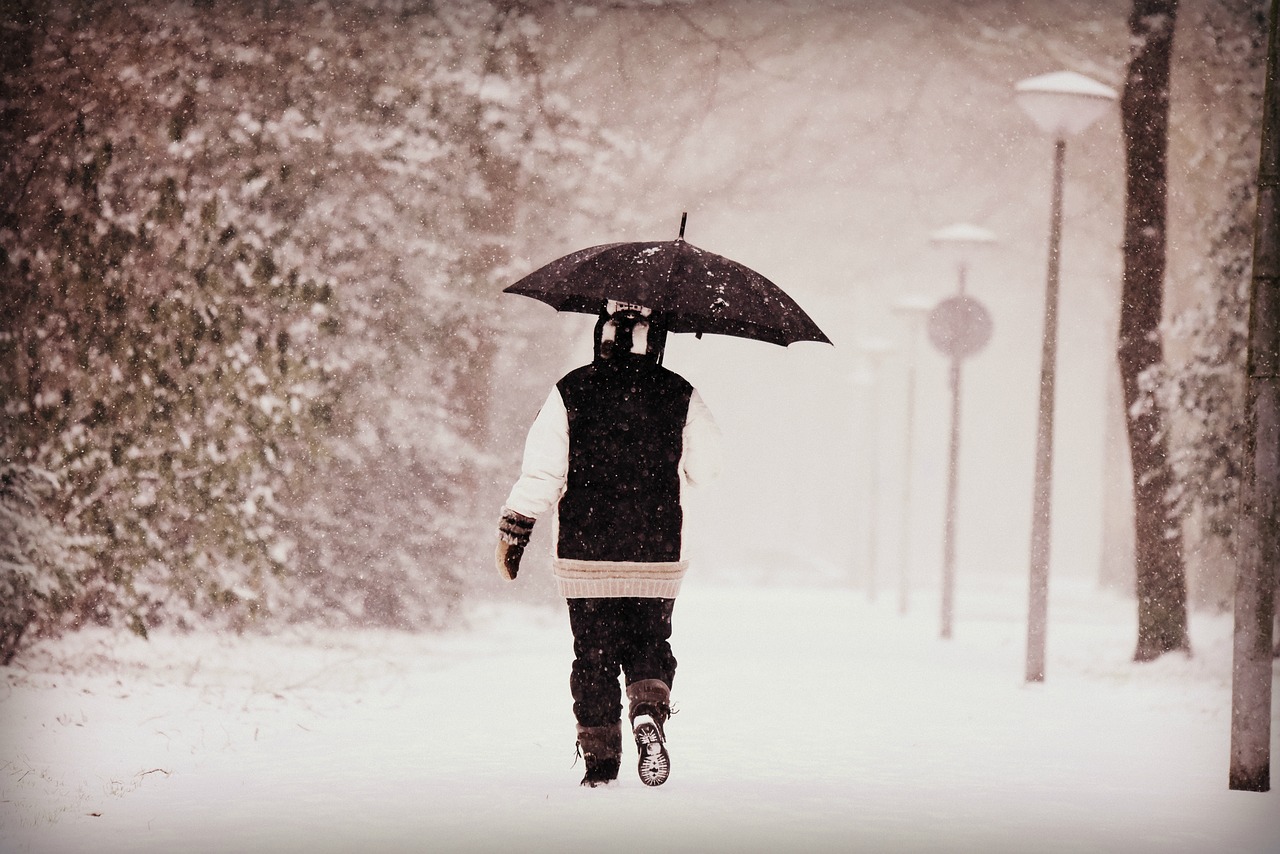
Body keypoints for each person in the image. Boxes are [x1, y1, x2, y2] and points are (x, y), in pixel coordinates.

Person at [496, 299, 722, 787]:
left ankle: (600, 767)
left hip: (586, 550)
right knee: (649, 641)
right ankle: (646, 710)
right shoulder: (678, 393)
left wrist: (517, 526)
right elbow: (706, 469)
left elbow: (544, 471)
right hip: (655, 549)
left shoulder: (571, 390)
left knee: (593, 654)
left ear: (603, 333)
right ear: (654, 338)